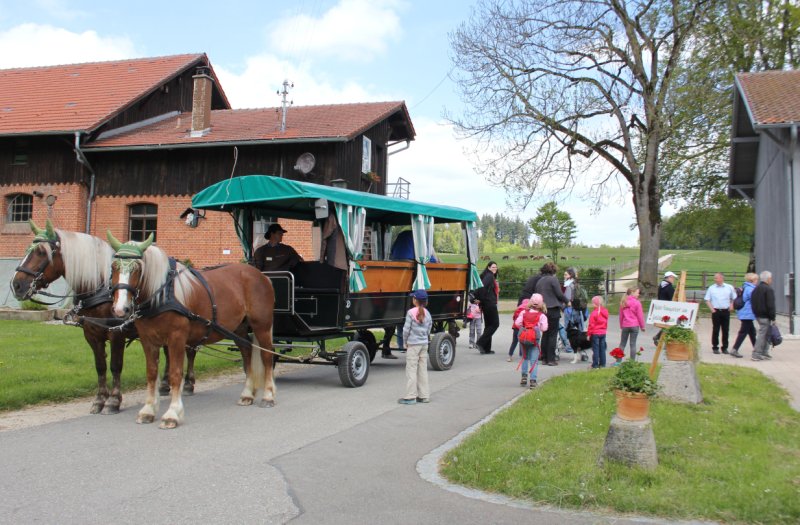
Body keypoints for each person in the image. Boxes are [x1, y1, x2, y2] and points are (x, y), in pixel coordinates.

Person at [398, 289, 433, 405]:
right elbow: (429, 328)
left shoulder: (410, 313)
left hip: (413, 345)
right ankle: (424, 396)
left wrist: (405, 341)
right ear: (426, 301)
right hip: (424, 344)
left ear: (415, 300)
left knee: (411, 370)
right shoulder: (427, 313)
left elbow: (406, 329)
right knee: (422, 370)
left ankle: (410, 396)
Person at [534, 262, 569, 366]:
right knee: (553, 335)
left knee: (545, 334)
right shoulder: (553, 279)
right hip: (553, 309)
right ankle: (551, 359)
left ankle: (544, 358)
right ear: (553, 270)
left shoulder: (539, 281)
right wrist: (567, 301)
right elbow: (559, 294)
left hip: (542, 310)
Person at [515, 293, 548, 388]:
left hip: (524, 338)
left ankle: (524, 377)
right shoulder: (542, 316)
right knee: (534, 360)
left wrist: (525, 327)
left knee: (525, 357)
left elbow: (517, 323)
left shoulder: (524, 313)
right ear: (541, 304)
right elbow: (544, 328)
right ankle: (533, 380)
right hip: (534, 339)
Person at [704, 272, 737, 355]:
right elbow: (707, 299)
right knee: (716, 329)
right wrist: (712, 310)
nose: (715, 279)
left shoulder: (729, 287)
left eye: (716, 278)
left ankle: (725, 347)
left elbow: (734, 298)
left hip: (725, 311)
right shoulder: (712, 288)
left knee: (725, 329)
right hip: (716, 311)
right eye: (714, 278)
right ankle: (715, 346)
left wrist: (731, 305)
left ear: (722, 278)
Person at [731, 272, 759, 358]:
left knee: (752, 332)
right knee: (743, 332)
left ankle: (757, 349)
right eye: (756, 279)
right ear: (753, 280)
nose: (757, 281)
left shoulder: (746, 287)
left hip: (745, 313)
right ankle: (735, 349)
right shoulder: (750, 289)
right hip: (747, 313)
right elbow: (754, 300)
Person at [750, 270, 776, 361]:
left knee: (766, 334)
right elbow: (770, 305)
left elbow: (752, 302)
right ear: (768, 279)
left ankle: (764, 352)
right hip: (766, 316)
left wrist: (755, 313)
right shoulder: (769, 289)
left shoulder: (756, 289)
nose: (771, 280)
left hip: (758, 315)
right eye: (771, 278)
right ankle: (756, 353)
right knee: (763, 334)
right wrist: (773, 317)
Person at [475, 261, 499, 354]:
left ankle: (486, 348)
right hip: (489, 304)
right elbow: (482, 288)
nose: (495, 269)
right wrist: (481, 299)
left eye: (496, 267)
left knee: (489, 325)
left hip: (487, 303)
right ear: (488, 268)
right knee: (495, 324)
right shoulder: (489, 276)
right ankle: (480, 343)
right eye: (493, 267)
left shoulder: (488, 276)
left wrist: (481, 300)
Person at [618, 287, 645, 360]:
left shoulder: (623, 302)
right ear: (632, 292)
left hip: (625, 325)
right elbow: (640, 316)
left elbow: (621, 316)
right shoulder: (637, 303)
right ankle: (632, 362)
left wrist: (621, 325)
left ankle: (618, 361)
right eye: (637, 292)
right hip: (634, 325)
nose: (638, 294)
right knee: (633, 344)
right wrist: (642, 326)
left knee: (622, 344)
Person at [653, 271, 677, 345]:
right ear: (669, 277)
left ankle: (658, 337)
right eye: (673, 278)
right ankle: (659, 337)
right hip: (668, 308)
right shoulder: (669, 287)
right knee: (669, 325)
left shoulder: (662, 285)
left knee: (667, 325)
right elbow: (672, 298)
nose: (673, 280)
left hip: (663, 306)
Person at [587, 296, 609, 368]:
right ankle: (603, 364)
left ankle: (595, 364)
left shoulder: (594, 313)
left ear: (594, 304)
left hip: (595, 333)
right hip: (603, 332)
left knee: (595, 349)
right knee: (602, 349)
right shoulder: (605, 311)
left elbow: (591, 325)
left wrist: (589, 334)